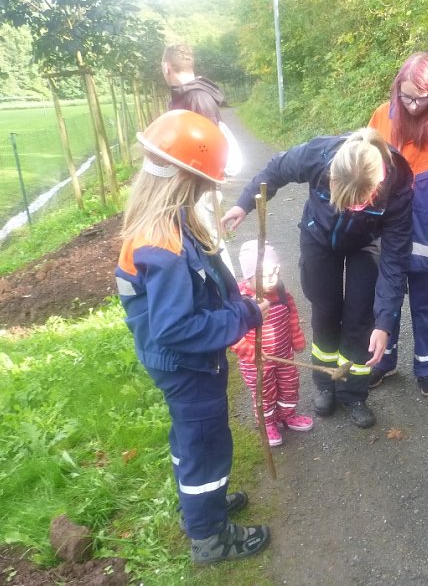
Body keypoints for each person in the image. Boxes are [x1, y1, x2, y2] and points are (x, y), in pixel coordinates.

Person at [115, 110, 271, 563]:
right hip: (187, 367)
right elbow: (177, 327)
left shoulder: (166, 222)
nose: (209, 191)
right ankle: (209, 537)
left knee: (191, 440)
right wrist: (242, 317)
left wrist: (229, 299)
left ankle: (203, 507)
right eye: (205, 184)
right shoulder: (160, 243)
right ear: (184, 179)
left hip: (180, 364)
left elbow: (195, 290)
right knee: (206, 445)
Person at [222, 128, 413, 429]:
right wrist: (243, 203)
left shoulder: (398, 185)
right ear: (332, 176)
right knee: (325, 310)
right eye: (343, 199)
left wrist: (385, 323)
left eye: (359, 203)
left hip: (367, 244)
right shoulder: (319, 155)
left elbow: (395, 259)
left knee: (361, 316)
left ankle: (353, 392)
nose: (350, 208)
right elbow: (276, 169)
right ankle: (325, 383)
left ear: (377, 185)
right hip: (319, 236)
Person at [367, 51, 428, 397]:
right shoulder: (380, 118)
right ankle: (384, 362)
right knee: (386, 300)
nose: (413, 105)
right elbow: (366, 167)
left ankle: (427, 367)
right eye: (406, 96)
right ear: (395, 90)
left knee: (425, 305)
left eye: (422, 97)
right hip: (389, 233)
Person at [162, 43, 243, 274]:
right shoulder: (187, 96)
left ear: (167, 67)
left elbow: (212, 148)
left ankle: (232, 298)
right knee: (203, 242)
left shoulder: (197, 99)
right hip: (192, 185)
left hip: (201, 187)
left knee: (211, 244)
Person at [231, 240, 313, 446]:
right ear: (249, 276)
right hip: (256, 363)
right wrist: (251, 353)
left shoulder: (282, 295)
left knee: (289, 385)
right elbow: (233, 334)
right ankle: (267, 423)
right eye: (266, 276)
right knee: (265, 392)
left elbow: (291, 316)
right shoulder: (240, 303)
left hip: (284, 356)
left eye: (276, 272)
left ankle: (287, 415)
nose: (273, 279)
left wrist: (296, 339)